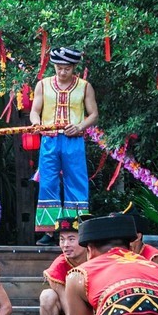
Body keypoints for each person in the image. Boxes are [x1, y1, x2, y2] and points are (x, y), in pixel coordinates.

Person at [29, 46, 98, 243]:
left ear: (74, 67)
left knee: (76, 181)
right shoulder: (43, 85)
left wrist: (79, 127)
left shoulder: (84, 86)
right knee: (47, 182)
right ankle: (49, 231)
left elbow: (94, 114)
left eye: (67, 68)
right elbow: (35, 111)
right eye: (59, 68)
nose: (62, 72)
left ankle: (76, 230)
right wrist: (36, 124)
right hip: (49, 140)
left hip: (73, 140)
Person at [38, 216, 88, 315]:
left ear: (85, 239)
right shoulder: (58, 267)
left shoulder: (97, 258)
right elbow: (68, 306)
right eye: (62, 239)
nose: (65, 245)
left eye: (71, 239)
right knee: (47, 296)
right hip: (72, 312)